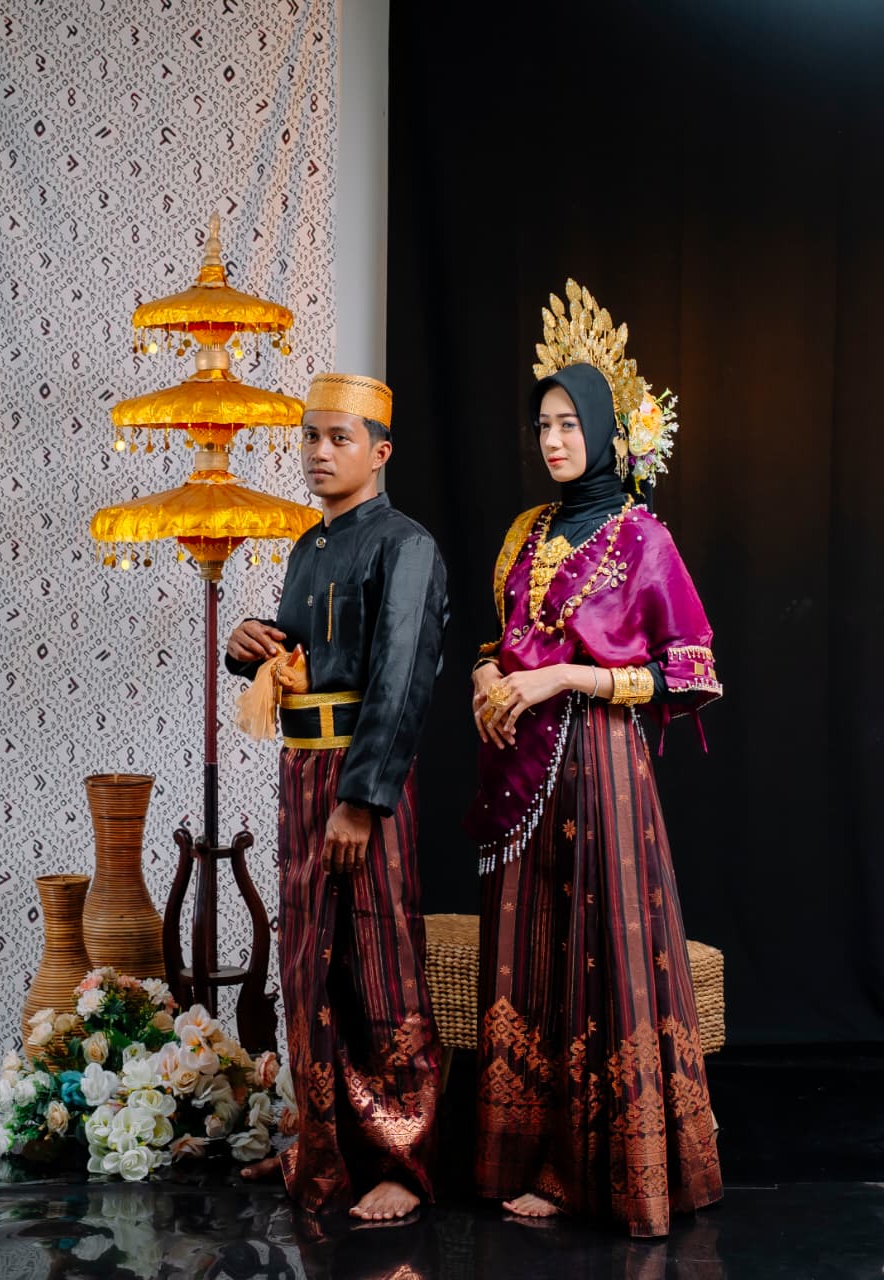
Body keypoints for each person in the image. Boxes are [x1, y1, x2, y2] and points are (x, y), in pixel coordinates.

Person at [465, 280, 724, 1237]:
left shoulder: (642, 540)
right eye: (542, 425)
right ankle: (522, 1153)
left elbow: (689, 671)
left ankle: (596, 1172)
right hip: (520, 772)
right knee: (530, 951)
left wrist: (567, 677)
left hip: (604, 773)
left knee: (596, 956)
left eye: (570, 424)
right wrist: (486, 682)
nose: (552, 441)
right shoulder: (523, 534)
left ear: (608, 431)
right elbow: (496, 640)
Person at [225, 371, 448, 1221]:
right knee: (308, 960)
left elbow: (401, 678)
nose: (319, 452)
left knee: (379, 963)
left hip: (363, 780)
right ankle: (320, 1146)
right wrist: (249, 645)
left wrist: (362, 800)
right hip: (301, 776)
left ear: (379, 452)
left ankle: (404, 1161)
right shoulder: (308, 548)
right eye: (310, 436)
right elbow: (303, 657)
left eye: (339, 438)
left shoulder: (406, 545)